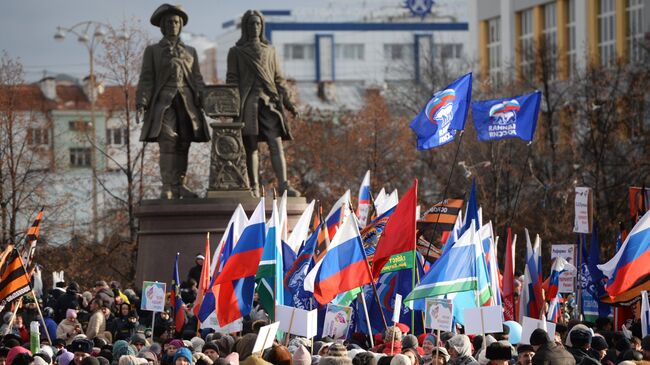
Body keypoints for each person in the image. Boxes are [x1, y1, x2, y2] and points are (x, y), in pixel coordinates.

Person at [136, 3, 209, 199]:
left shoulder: (191, 51)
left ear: (181, 25)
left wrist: (205, 99)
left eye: (176, 21)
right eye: (169, 21)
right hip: (164, 102)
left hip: (186, 103)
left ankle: (180, 185)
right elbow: (147, 78)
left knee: (184, 142)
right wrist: (142, 102)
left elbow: (197, 79)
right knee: (168, 140)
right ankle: (167, 186)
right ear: (162, 25)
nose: (173, 25)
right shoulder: (153, 51)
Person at [226, 10, 301, 198]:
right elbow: (232, 81)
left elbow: (279, 80)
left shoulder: (270, 51)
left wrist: (290, 103)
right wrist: (230, 106)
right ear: (245, 27)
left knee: (276, 145)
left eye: (258, 24)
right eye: (251, 24)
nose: (254, 27)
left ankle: (284, 185)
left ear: (262, 26)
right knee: (250, 147)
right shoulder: (236, 52)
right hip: (247, 104)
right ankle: (253, 187)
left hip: (269, 104)